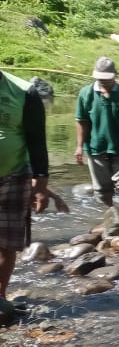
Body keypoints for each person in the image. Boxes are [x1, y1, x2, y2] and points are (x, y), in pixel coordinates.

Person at [0, 70, 49, 317]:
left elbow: (36, 139)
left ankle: (0, 297)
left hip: (15, 176)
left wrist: (41, 183)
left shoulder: (24, 92)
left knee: (7, 243)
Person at [75, 57, 119, 210]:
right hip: (96, 149)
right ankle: (111, 220)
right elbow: (81, 121)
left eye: (107, 79)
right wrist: (79, 146)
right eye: (100, 79)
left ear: (115, 75)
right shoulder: (86, 94)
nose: (103, 82)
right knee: (102, 191)